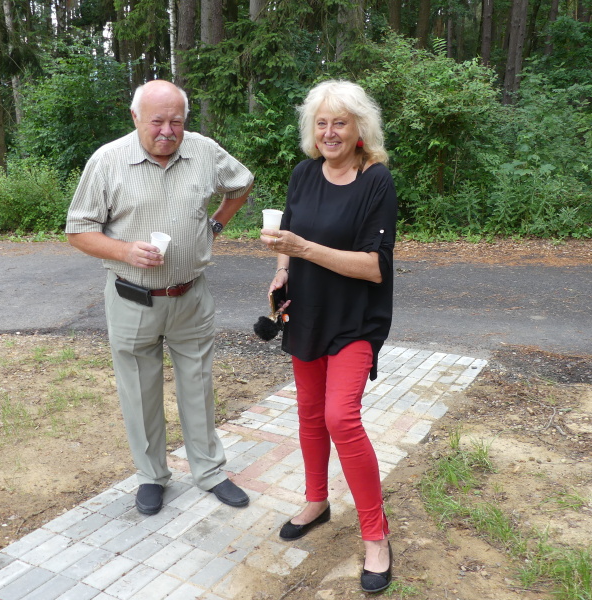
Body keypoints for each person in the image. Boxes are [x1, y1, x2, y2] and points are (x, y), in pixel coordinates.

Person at [65, 80, 254, 516]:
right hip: (132, 299)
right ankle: (151, 476)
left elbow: (241, 184)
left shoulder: (204, 151)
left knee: (198, 385)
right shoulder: (108, 161)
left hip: (191, 295)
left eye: (176, 122)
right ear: (135, 118)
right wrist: (124, 251)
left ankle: (209, 471)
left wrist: (216, 224)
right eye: (157, 121)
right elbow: (78, 230)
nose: (168, 131)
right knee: (139, 391)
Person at [259, 80, 397, 594]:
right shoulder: (303, 174)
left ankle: (376, 535)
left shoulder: (375, 181)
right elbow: (287, 236)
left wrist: (304, 249)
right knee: (310, 414)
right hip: (307, 314)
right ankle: (316, 500)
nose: (330, 132)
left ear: (360, 128)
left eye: (340, 122)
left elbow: (374, 267)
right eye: (321, 123)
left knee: (341, 417)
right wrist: (282, 269)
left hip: (355, 320)